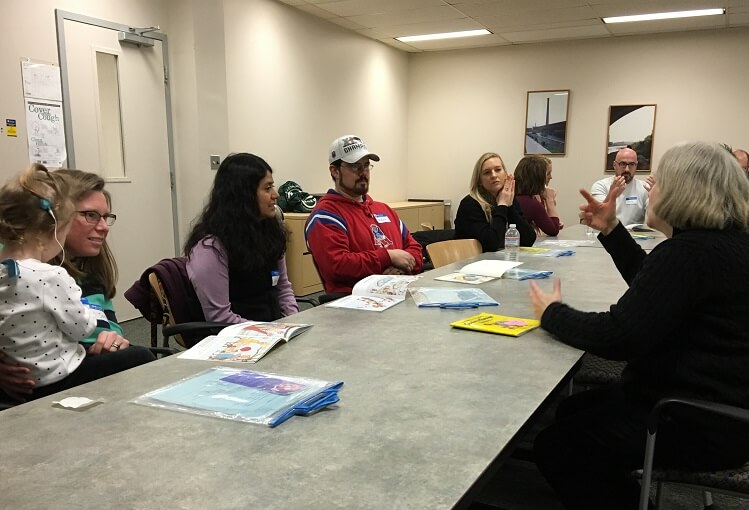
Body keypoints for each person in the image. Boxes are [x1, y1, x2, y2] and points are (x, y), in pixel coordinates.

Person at [528, 141, 749, 510]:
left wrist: (552, 313)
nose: (650, 188)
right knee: (571, 412)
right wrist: (612, 229)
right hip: (722, 410)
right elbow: (657, 292)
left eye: (658, 181)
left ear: (684, 191)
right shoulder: (725, 246)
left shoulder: (689, 253)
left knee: (555, 446)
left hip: (692, 419)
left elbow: (621, 335)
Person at [0, 165, 154, 402]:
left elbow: (107, 326)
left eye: (106, 217)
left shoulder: (90, 265)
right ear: (55, 218)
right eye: (90, 215)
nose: (103, 227)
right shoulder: (20, 267)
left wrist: (113, 339)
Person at [184, 152, 298, 323]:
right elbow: (220, 318)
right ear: (244, 194)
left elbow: (283, 289)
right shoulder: (211, 248)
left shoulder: (270, 232)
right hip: (238, 341)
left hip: (272, 332)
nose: (276, 195)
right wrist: (270, 332)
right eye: (267, 188)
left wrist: (294, 323)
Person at [304, 135, 423, 294]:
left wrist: (398, 271)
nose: (363, 172)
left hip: (400, 293)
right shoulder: (325, 216)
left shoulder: (384, 210)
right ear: (335, 171)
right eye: (355, 167)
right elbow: (338, 266)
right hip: (355, 306)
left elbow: (415, 249)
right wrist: (388, 258)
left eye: (366, 166)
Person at [454, 152, 536, 252]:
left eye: (498, 170)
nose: (493, 175)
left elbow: (528, 240)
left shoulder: (508, 199)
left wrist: (509, 207)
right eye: (487, 172)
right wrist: (502, 206)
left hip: (499, 261)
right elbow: (492, 244)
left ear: (505, 174)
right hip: (471, 262)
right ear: (479, 180)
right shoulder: (470, 204)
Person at [591, 147, 649, 226]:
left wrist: (656, 198)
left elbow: (654, 219)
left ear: (636, 166)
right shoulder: (600, 186)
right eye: (623, 164)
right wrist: (612, 194)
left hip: (633, 237)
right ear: (615, 165)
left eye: (631, 164)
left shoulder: (644, 187)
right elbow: (598, 216)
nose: (627, 169)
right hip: (607, 235)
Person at [513, 155, 561, 236]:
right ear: (538, 177)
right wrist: (550, 200)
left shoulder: (515, 196)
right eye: (548, 174)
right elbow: (553, 230)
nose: (551, 177)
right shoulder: (531, 203)